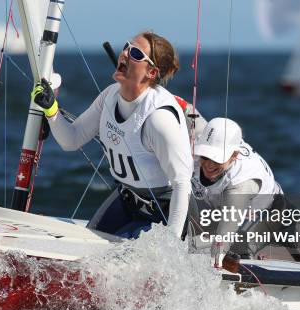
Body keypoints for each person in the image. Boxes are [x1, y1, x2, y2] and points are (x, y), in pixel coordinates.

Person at [31, 31, 193, 239]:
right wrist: (51, 109)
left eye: (135, 53)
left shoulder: (158, 118)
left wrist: (172, 243)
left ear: (151, 73)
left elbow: (182, 183)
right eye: (126, 47)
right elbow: (71, 140)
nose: (124, 54)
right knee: (88, 245)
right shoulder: (109, 96)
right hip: (126, 198)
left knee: (113, 256)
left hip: (163, 210)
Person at [190, 117, 282, 258]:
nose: (209, 164)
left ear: (234, 155)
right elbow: (185, 109)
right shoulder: (206, 135)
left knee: (238, 249)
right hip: (219, 204)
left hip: (270, 213)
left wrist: (214, 265)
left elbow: (222, 241)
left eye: (216, 159)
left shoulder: (241, 183)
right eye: (205, 156)